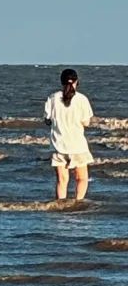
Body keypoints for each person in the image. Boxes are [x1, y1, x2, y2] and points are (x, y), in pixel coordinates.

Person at [44, 68, 95, 201]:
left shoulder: (53, 98)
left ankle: (61, 204)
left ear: (62, 82)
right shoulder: (82, 99)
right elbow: (86, 122)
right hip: (77, 145)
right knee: (82, 178)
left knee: (62, 180)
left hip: (58, 144)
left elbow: (47, 120)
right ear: (77, 82)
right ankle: (78, 203)